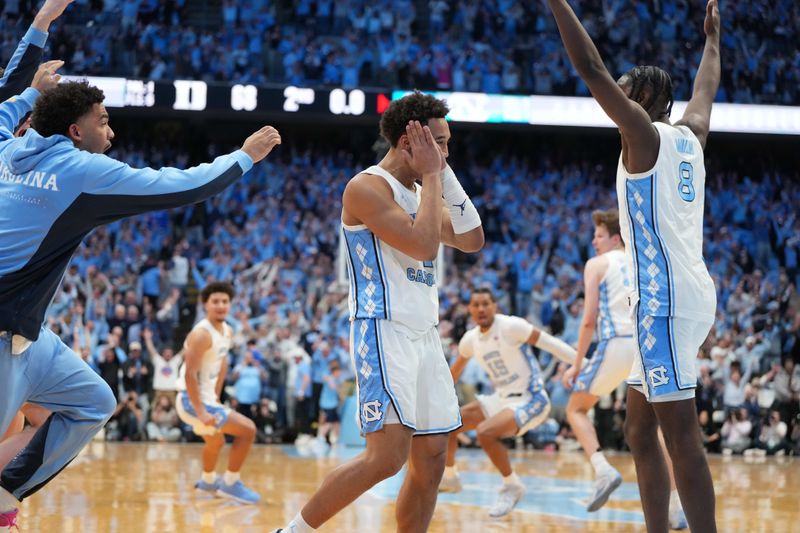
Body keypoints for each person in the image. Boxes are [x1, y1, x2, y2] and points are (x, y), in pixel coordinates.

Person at [0, 73, 280, 525]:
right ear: (75, 131)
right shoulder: (82, 170)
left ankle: (5, 493)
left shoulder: (7, 150)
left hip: (28, 333)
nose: (111, 133)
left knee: (94, 401)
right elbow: (183, 185)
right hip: (2, 336)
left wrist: (33, 85)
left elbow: (1, 114)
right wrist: (245, 157)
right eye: (103, 121)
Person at [273, 91, 484, 533]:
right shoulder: (366, 187)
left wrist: (439, 175)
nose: (446, 153)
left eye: (446, 143)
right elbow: (425, 244)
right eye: (439, 142)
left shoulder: (422, 191)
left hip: (424, 335)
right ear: (410, 141)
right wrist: (431, 175)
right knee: (387, 456)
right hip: (382, 328)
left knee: (432, 458)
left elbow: (472, 239)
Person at [546, 0, 721, 531]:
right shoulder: (690, 135)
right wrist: (712, 42)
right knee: (639, 430)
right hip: (688, 292)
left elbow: (591, 68)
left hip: (663, 302)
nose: (614, 95)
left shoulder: (642, 138)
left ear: (642, 100)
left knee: (681, 436)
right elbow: (705, 90)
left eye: (624, 91)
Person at [561, 210, 686, 528]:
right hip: (647, 346)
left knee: (575, 408)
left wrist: (577, 365)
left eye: (599, 235)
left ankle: (602, 469)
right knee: (654, 428)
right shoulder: (642, 260)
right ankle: (675, 506)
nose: (594, 241)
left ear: (615, 238)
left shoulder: (597, 264)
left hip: (616, 342)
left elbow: (589, 320)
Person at [440, 288, 576, 518]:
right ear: (470, 309)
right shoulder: (470, 339)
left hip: (532, 398)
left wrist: (582, 363)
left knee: (485, 433)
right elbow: (452, 374)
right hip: (502, 400)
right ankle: (450, 477)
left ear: (495, 305)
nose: (481, 309)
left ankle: (512, 485)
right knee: (450, 423)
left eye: (486, 303)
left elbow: (551, 344)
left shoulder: (511, 326)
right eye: (476, 305)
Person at [174, 282, 259, 504]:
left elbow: (221, 364)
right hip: (190, 400)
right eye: (215, 301)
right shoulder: (201, 334)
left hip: (206, 399)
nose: (221, 305)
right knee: (248, 430)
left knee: (216, 442)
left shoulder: (227, 330)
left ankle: (208, 481)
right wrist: (202, 411)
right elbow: (189, 375)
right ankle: (230, 484)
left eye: (225, 301)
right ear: (206, 305)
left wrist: (216, 400)